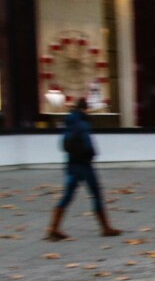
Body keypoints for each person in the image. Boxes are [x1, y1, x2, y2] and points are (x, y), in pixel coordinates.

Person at [47, 97, 120, 241]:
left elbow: (63, 144)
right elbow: (87, 143)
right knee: (96, 194)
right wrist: (92, 154)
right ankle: (105, 228)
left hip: (71, 164)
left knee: (67, 195)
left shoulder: (68, 121)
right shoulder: (82, 123)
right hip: (84, 165)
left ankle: (54, 228)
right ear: (85, 108)